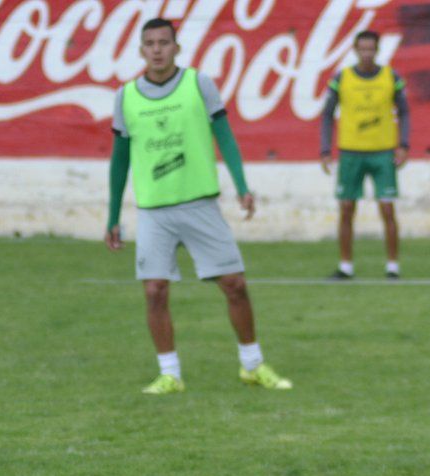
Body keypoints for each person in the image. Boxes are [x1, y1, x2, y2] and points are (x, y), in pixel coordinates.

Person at [105, 18, 291, 395]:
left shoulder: (198, 84)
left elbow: (225, 135)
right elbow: (119, 160)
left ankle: (252, 365)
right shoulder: (126, 97)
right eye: (150, 44)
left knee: (234, 285)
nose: (157, 49)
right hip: (154, 212)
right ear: (141, 51)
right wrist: (112, 217)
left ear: (176, 48)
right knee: (155, 290)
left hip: (200, 205)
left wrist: (242, 186)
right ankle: (169, 373)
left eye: (163, 42)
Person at [319, 30, 410, 280]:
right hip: (350, 152)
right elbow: (327, 114)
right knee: (346, 208)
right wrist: (325, 149)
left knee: (387, 208)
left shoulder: (390, 77)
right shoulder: (342, 77)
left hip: (383, 152)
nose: (367, 53)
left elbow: (404, 111)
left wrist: (403, 144)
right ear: (355, 50)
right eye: (363, 49)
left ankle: (393, 266)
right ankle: (345, 266)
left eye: (371, 49)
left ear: (377, 50)